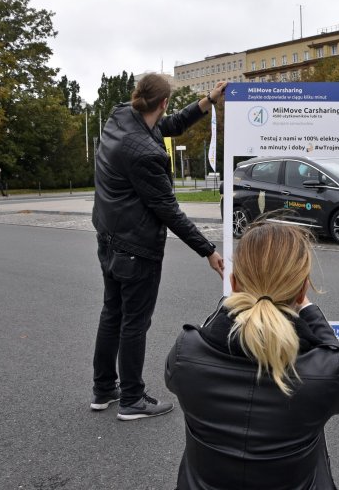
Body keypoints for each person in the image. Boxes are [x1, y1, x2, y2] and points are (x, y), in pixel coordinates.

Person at [165, 222, 339, 489]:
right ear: (303, 289)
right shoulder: (326, 370)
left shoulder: (185, 353)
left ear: (233, 284)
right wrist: (311, 312)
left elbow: (207, 332)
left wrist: (231, 302)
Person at [91, 73, 226, 421]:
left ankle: (104, 388)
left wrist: (208, 101)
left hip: (107, 238)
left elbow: (174, 124)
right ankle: (132, 399)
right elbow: (168, 210)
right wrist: (208, 250)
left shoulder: (121, 115)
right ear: (162, 101)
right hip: (135, 246)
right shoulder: (146, 154)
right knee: (134, 322)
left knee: (112, 314)